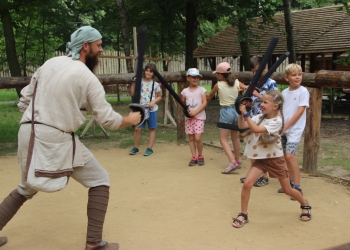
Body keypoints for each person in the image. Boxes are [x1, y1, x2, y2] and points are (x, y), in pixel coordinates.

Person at [0, 26, 141, 250]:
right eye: (99, 45)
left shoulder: (49, 63)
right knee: (100, 180)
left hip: (27, 130)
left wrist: (43, 116)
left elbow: (24, 100)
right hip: (54, 136)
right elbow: (107, 119)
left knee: (25, 187)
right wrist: (130, 120)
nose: (102, 50)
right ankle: (94, 243)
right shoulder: (87, 77)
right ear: (86, 46)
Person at [232, 90, 311, 228]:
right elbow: (243, 126)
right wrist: (240, 112)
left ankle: (305, 204)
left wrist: (246, 113)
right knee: (247, 184)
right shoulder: (260, 117)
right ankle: (243, 214)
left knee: (287, 190)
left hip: (275, 160)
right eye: (262, 101)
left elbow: (256, 130)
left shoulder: (277, 121)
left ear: (275, 106)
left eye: (265, 102)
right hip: (261, 159)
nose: (261, 104)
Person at [240, 56, 278, 187]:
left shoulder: (271, 83)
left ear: (265, 69)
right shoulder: (253, 83)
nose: (254, 74)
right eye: (253, 72)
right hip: (253, 118)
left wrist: (258, 95)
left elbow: (275, 100)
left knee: (262, 149)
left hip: (265, 121)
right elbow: (251, 100)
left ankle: (264, 176)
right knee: (252, 148)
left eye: (257, 71)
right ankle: (253, 174)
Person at [278, 63, 310, 198]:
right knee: (284, 157)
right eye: (294, 75)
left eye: (299, 74)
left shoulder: (303, 91)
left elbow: (299, 112)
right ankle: (290, 183)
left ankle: (297, 187)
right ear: (287, 78)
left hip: (295, 130)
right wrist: (280, 125)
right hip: (284, 129)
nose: (297, 77)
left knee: (290, 156)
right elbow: (280, 110)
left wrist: (286, 126)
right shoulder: (284, 93)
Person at [207, 62, 242, 173]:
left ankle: (232, 162)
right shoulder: (237, 82)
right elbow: (245, 87)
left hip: (226, 111)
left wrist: (204, 102)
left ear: (221, 75)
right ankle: (237, 160)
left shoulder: (219, 85)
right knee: (235, 137)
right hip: (237, 110)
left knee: (223, 139)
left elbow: (210, 96)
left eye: (218, 74)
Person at [128, 63, 162, 156]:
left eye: (151, 71)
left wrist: (153, 101)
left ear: (153, 74)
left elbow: (159, 96)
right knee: (137, 129)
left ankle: (149, 148)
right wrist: (133, 82)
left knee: (151, 128)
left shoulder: (155, 84)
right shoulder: (139, 82)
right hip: (140, 109)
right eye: (147, 70)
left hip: (151, 109)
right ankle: (135, 147)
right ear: (144, 71)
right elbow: (132, 93)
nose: (148, 73)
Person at [181, 68, 207, 166]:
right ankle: (193, 156)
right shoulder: (185, 91)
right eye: (193, 77)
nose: (195, 79)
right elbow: (182, 103)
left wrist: (196, 111)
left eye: (197, 77)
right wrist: (186, 111)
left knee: (198, 137)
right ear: (188, 78)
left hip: (199, 117)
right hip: (189, 118)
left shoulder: (202, 90)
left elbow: (204, 103)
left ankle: (200, 155)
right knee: (191, 138)